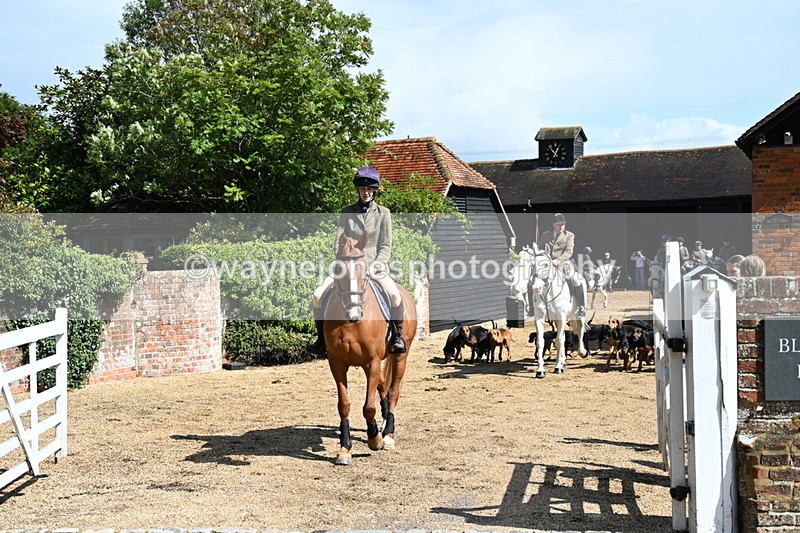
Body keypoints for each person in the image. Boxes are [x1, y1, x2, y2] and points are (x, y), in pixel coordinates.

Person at [308, 166, 407, 355]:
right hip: (347, 265)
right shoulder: (346, 212)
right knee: (318, 295)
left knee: (394, 295)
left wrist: (378, 263)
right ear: (358, 190)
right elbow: (338, 241)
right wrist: (345, 259)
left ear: (375, 190)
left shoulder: (383, 213)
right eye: (362, 189)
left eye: (369, 189)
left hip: (373, 265)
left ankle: (396, 337)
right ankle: (321, 339)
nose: (366, 192)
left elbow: (386, 245)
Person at [537, 213, 587, 317]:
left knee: (575, 279)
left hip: (565, 262)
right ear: (553, 225)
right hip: (548, 263)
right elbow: (540, 248)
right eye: (559, 225)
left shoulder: (569, 235)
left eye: (563, 224)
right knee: (535, 277)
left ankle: (581, 305)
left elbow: (569, 252)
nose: (561, 227)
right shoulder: (546, 235)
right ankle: (533, 306)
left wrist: (558, 260)